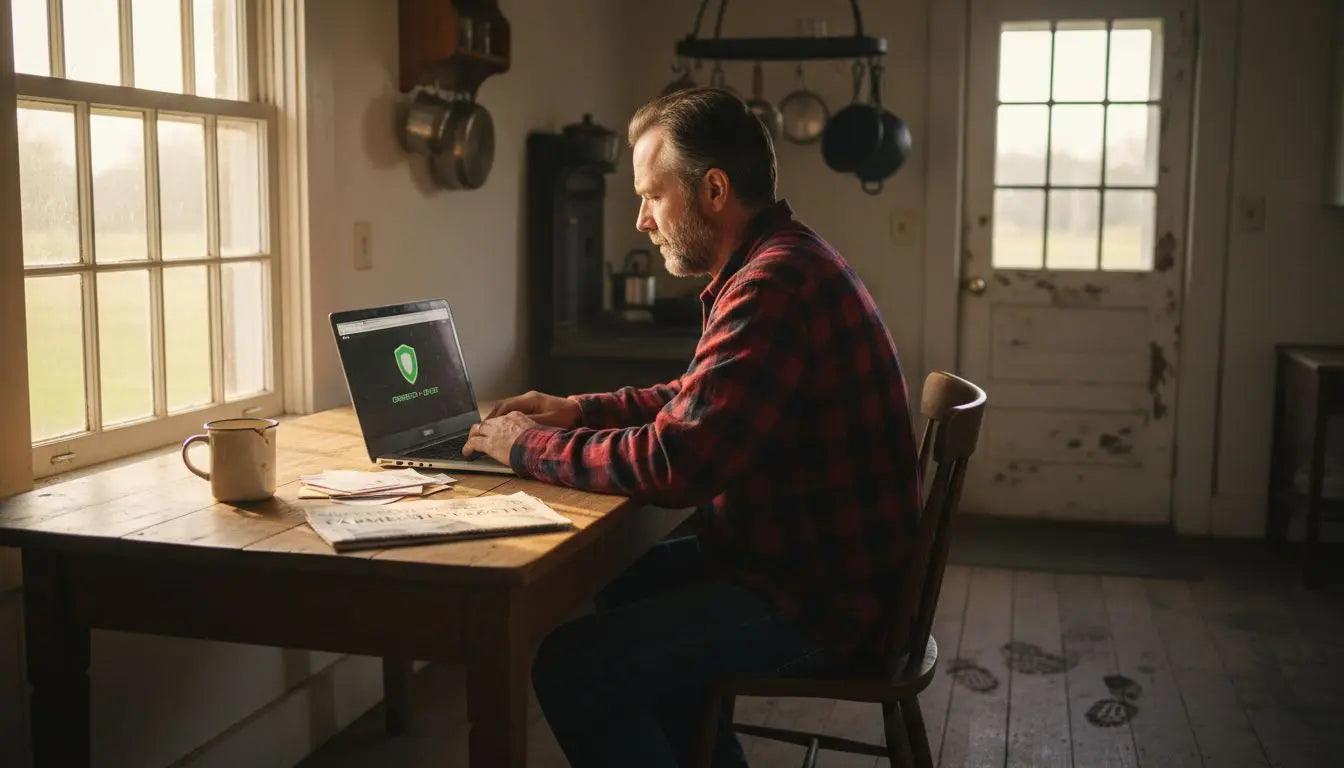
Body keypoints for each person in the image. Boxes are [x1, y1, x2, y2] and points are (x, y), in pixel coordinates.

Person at [462, 87, 921, 768]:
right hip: (815, 566)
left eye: (652, 195)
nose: (642, 221)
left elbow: (680, 461)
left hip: (826, 604)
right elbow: (696, 399)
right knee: (623, 580)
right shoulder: (780, 260)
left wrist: (527, 445)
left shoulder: (772, 286)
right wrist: (579, 410)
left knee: (570, 666)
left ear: (712, 190)